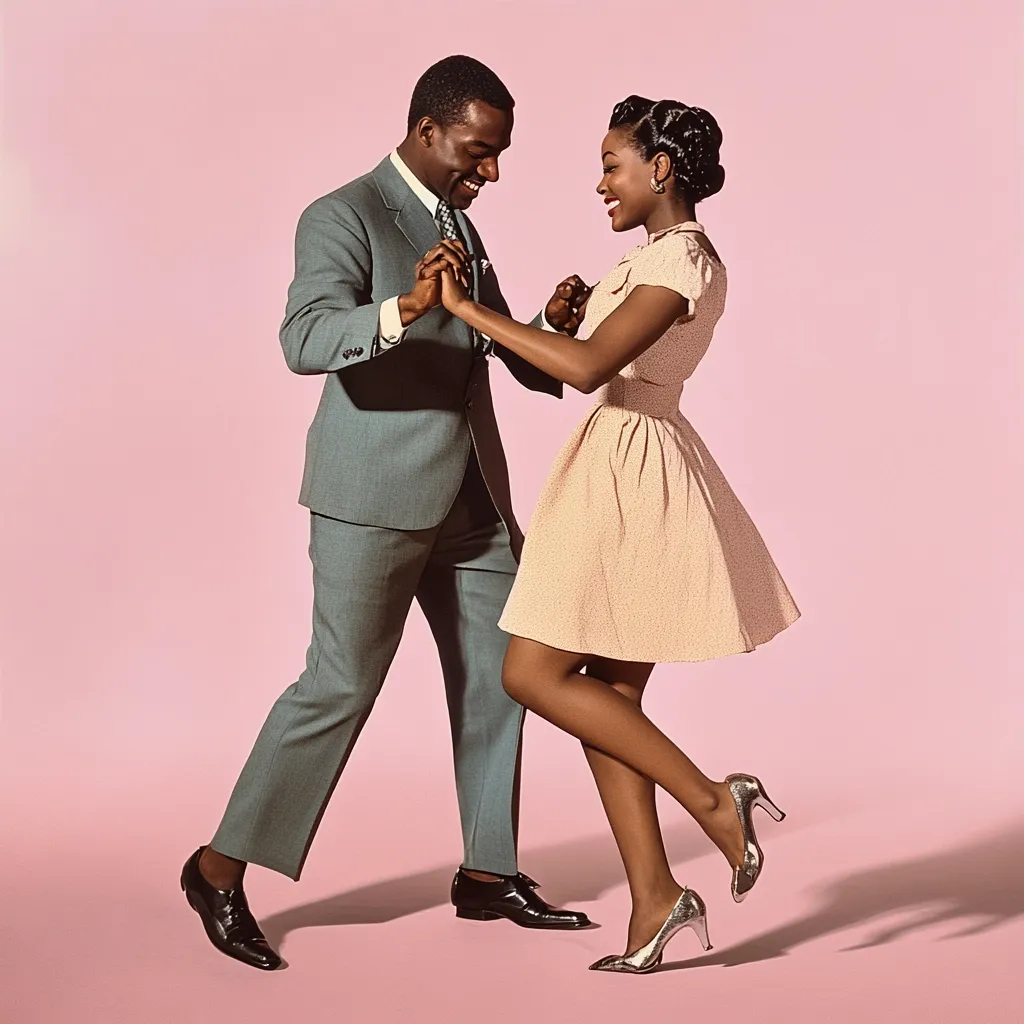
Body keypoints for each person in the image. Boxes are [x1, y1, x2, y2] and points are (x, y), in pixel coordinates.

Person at [181, 55, 592, 971]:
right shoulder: (343, 214)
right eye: (479, 154)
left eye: (498, 158)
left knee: (504, 678)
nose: (489, 174)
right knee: (338, 688)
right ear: (428, 132)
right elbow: (304, 338)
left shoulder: (459, 225)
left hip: (474, 497)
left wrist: (549, 325)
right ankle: (217, 868)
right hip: (373, 499)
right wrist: (401, 305)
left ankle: (488, 873)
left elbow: (497, 352)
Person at [437, 94, 801, 974]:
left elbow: (596, 368)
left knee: (529, 671)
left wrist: (467, 308)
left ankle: (716, 802)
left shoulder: (681, 260)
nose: (600, 182)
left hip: (632, 473)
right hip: (627, 457)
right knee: (610, 698)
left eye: (612, 164)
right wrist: (557, 319)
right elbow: (575, 356)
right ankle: (655, 902)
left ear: (659, 169)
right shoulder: (654, 260)